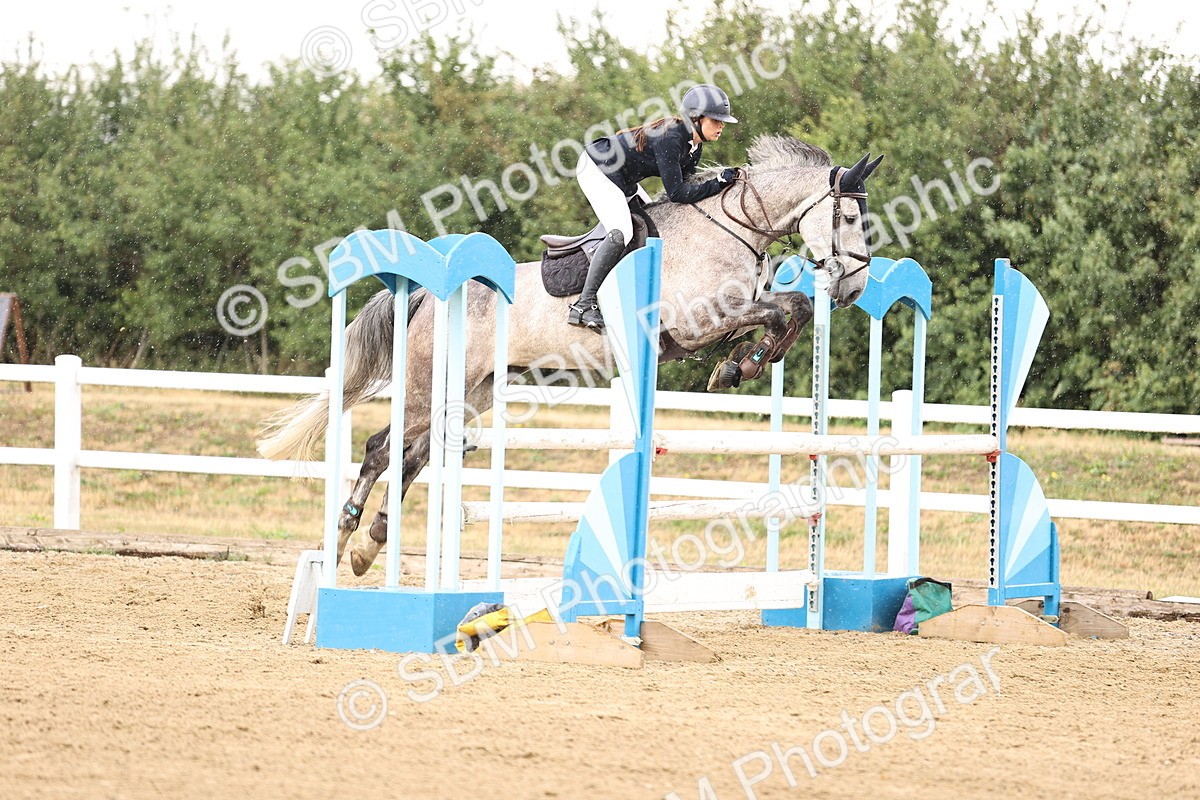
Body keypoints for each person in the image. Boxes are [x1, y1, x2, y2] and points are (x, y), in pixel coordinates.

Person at [568, 84, 740, 331]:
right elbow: (678, 193)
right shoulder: (671, 138)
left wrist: (718, 186)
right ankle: (583, 304)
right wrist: (719, 182)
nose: (722, 125)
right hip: (597, 167)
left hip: (623, 177)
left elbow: (687, 188)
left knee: (656, 226)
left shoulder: (694, 146)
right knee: (622, 232)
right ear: (696, 118)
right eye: (716, 120)